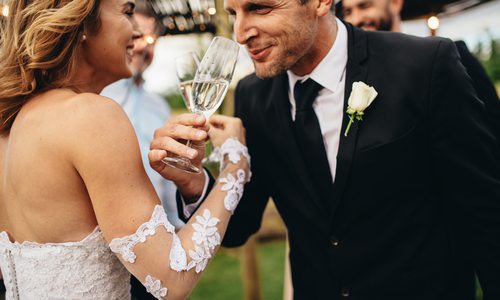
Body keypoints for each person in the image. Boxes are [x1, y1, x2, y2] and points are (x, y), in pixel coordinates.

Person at [150, 0, 500, 299]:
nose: (241, 33)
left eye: (259, 7)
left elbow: (485, 214)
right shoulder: (252, 96)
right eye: (234, 12)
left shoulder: (425, 65)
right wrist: (194, 182)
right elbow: (240, 225)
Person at [0, 1, 249, 299]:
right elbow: (173, 276)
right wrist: (235, 165)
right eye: (127, 12)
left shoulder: (14, 121)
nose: (136, 32)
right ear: (82, 23)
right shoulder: (91, 115)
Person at [338, 0, 500, 141]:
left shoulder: (449, 55)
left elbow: (493, 124)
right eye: (348, 12)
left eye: (364, 6)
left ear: (395, 3)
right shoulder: (353, 80)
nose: (356, 19)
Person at [101, 1, 183, 230]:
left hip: (160, 234)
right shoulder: (95, 99)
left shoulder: (159, 106)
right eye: (135, 37)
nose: (141, 48)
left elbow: (167, 178)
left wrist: (177, 228)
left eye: (151, 40)